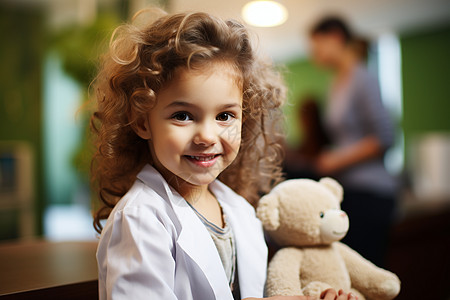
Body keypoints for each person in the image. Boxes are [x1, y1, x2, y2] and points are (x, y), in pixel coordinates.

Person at [92, 8, 357, 300]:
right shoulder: (140, 220)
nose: (207, 136)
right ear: (143, 121)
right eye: (182, 115)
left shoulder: (239, 211)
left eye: (225, 116)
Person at [309, 16, 397, 267]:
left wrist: (337, 159)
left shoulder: (362, 78)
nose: (313, 52)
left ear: (335, 37)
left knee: (365, 272)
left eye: (317, 44)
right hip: (350, 190)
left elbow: (384, 136)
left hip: (371, 192)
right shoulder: (336, 82)